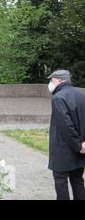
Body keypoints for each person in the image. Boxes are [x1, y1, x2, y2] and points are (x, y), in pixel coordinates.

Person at [47, 70, 85, 200]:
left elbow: (66, 126)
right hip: (80, 148)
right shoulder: (81, 95)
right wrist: (82, 143)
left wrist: (78, 145)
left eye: (51, 80)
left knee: (61, 182)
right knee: (78, 181)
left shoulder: (58, 98)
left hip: (63, 149)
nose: (50, 83)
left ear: (58, 80)